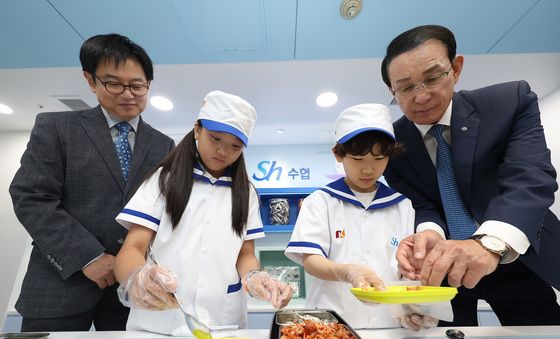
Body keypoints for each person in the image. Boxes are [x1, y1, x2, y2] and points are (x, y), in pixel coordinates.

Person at [381, 24, 560, 326]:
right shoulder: (393, 142)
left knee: (540, 329)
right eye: (405, 86)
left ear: (456, 68)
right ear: (392, 90)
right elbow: (422, 203)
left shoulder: (508, 102)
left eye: (432, 78)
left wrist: (488, 244)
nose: (421, 96)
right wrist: (429, 234)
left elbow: (531, 179)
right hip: (444, 264)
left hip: (516, 250)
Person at [9, 33, 175, 332]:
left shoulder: (163, 145)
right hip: (62, 284)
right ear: (91, 80)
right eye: (114, 83)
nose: (128, 94)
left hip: (133, 290)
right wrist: (89, 256)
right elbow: (31, 198)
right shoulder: (57, 128)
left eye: (137, 85)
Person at [113, 90, 293, 336]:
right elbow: (133, 247)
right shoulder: (163, 179)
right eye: (215, 138)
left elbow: (246, 253)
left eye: (235, 146)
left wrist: (254, 276)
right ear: (197, 129)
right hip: (160, 323)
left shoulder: (245, 191)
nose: (223, 151)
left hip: (223, 321)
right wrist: (139, 277)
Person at [285, 103, 438, 330]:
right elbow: (312, 261)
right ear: (338, 154)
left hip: (391, 325)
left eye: (379, 159)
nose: (368, 169)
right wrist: (348, 272)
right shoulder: (320, 201)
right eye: (358, 159)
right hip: (332, 323)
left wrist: (413, 305)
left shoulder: (402, 205)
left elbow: (407, 269)